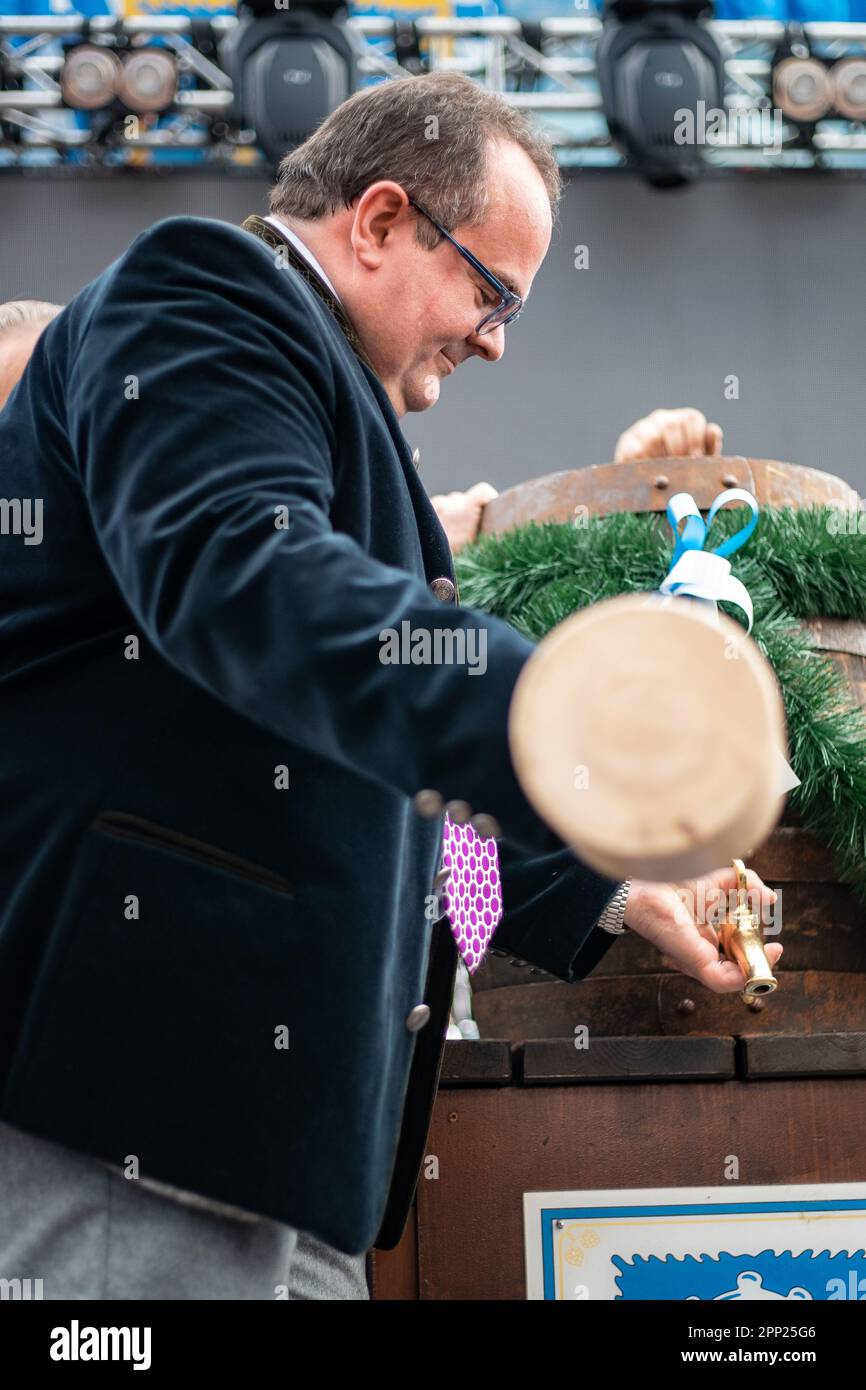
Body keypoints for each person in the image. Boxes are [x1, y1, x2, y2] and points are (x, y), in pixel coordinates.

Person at [0, 71, 779, 1300]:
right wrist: (573, 722)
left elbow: (368, 764)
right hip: (145, 1104)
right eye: (491, 289)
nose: (496, 337)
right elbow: (247, 579)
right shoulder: (197, 292)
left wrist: (616, 883)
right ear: (374, 221)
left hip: (282, 1149)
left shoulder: (309, 398)